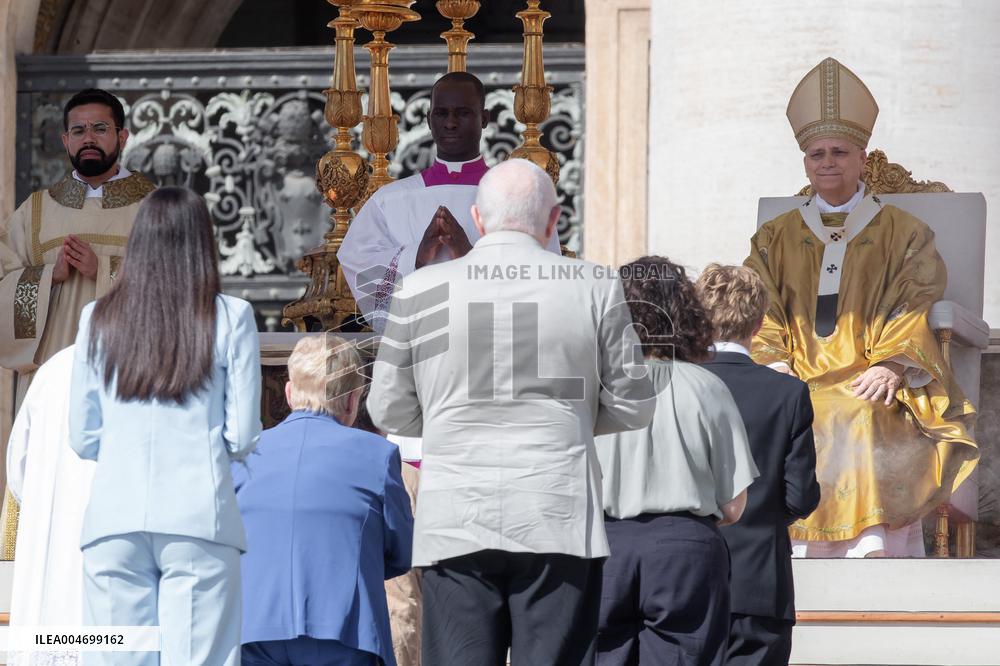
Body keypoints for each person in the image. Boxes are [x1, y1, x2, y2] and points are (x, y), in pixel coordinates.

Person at [368, 159, 654, 666]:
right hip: (556, 512)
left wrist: (445, 421)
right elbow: (634, 402)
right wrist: (570, 419)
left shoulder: (421, 289)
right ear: (553, 220)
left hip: (457, 515)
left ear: (478, 220)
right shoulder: (593, 285)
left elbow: (386, 405)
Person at [746, 57, 978, 557]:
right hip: (796, 374)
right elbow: (758, 304)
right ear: (805, 162)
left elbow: (917, 297)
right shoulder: (774, 237)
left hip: (872, 376)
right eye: (816, 154)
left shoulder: (905, 232)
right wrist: (773, 363)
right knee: (798, 408)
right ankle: (795, 549)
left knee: (857, 410)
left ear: (861, 158)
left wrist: (893, 364)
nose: (827, 162)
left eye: (839, 152)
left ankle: (868, 547)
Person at [69, 187, 261, 666]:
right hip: (198, 517)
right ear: (202, 244)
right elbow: (242, 435)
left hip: (115, 516)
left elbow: (82, 435)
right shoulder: (231, 316)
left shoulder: (97, 318)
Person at [340, 72, 560, 468]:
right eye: (441, 113)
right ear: (428, 120)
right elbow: (357, 259)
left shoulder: (520, 197)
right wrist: (416, 255)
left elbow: (543, 276)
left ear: (485, 118)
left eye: (463, 113)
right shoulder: (394, 199)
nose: (451, 123)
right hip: (422, 354)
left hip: (491, 357)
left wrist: (469, 253)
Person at [0, 87, 154, 558]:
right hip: (51, 387)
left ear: (122, 136)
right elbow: (4, 283)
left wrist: (103, 271)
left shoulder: (155, 207)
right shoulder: (34, 212)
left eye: (100, 128)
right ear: (65, 140)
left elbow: (176, 287)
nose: (89, 138)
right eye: (79, 130)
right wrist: (48, 276)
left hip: (126, 381)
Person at [595, 256, 757, 666]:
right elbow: (734, 505)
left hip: (602, 545)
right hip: (685, 548)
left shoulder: (592, 387)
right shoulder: (708, 388)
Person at [233, 334, 413, 666]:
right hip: (345, 631)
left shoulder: (242, 455)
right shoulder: (378, 455)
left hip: (253, 629)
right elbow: (402, 552)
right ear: (353, 400)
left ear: (289, 393)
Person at [697, 264, 821, 666]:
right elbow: (801, 496)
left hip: (685, 575)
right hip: (759, 578)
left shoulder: (675, 384)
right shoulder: (787, 392)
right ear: (760, 323)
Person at [6, 345, 93, 666]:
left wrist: (43, 501)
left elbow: (17, 470)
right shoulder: (160, 364)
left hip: (51, 530)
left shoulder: (56, 367)